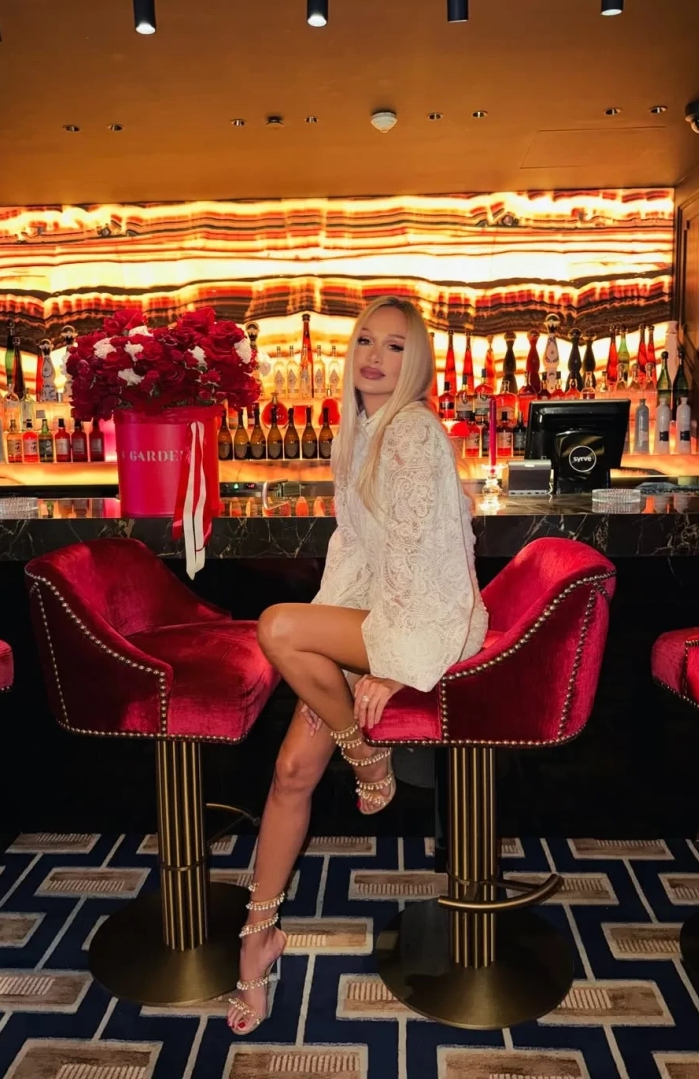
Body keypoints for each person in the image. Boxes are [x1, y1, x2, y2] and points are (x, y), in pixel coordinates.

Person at [227, 296, 489, 1033]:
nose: (375, 357)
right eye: (367, 341)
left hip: (425, 617)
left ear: (418, 361)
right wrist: (339, 639)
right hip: (370, 614)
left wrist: (391, 661)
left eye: (396, 346)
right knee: (290, 771)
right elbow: (353, 549)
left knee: (278, 625)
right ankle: (258, 938)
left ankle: (365, 754)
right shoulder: (360, 430)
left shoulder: (413, 430)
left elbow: (421, 555)